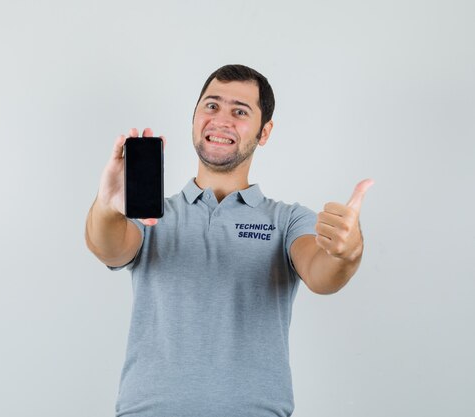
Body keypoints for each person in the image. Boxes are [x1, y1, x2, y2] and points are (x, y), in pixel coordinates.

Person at [85, 64, 373, 417]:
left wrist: (348, 252)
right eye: (211, 106)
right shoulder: (152, 214)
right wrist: (107, 207)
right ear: (194, 117)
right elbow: (109, 247)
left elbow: (321, 272)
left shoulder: (288, 220)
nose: (221, 120)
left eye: (239, 111)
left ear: (264, 132)